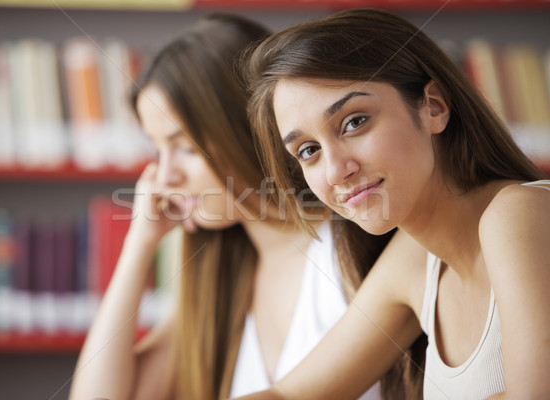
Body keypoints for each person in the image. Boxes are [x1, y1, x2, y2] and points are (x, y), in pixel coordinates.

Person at [68, 13, 396, 400]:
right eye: (157, 149)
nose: (162, 176)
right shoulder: (222, 279)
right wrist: (139, 243)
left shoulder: (354, 241)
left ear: (251, 129)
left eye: (185, 147)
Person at [232, 8, 550, 400]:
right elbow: (289, 395)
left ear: (433, 107)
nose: (335, 172)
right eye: (309, 150)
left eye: (354, 122)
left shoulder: (518, 213)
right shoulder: (417, 258)